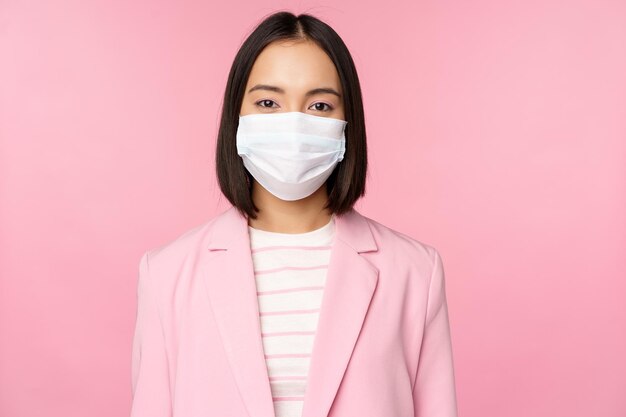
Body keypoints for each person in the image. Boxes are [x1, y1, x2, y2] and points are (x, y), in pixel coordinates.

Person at [130, 10, 458, 417]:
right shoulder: (167, 274)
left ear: (346, 123)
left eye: (319, 105)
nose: (293, 124)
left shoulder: (415, 273)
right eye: (268, 102)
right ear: (237, 119)